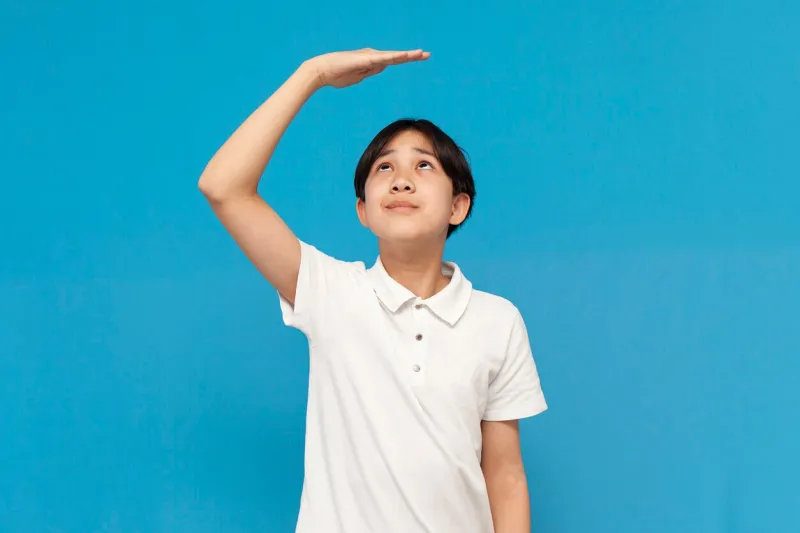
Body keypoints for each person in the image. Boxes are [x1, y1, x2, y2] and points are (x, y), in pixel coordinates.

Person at [198, 48, 548, 533]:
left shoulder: (497, 320)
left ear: (458, 206)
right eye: (384, 169)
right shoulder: (330, 293)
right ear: (363, 210)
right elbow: (224, 186)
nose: (402, 180)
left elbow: (505, 475)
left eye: (424, 167)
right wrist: (312, 74)